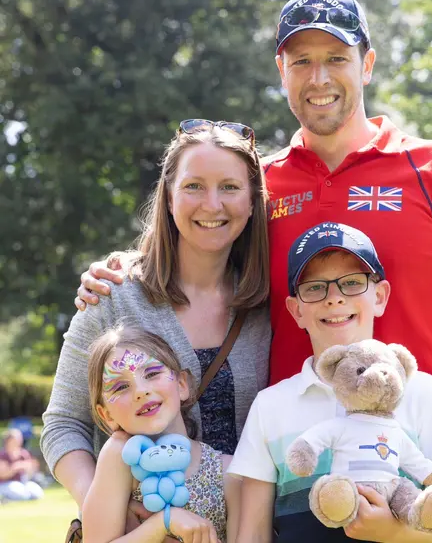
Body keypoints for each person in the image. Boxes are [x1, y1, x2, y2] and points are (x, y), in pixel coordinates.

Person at [74, 0, 432, 541]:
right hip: (292, 485)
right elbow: (198, 237)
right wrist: (127, 265)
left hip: (416, 479)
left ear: (366, 63)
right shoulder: (262, 186)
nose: (319, 78)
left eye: (336, 58)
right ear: (281, 70)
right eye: (302, 62)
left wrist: (414, 445)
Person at [40, 120, 271, 536]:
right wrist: (109, 504)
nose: (212, 204)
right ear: (168, 197)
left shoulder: (265, 306)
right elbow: (62, 425)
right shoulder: (112, 295)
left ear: (253, 201)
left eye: (230, 187)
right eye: (194, 186)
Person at [230, 221, 432, 543]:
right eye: (315, 287)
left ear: (380, 296)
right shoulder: (270, 405)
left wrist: (392, 531)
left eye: (351, 282)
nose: (334, 298)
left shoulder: (424, 393)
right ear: (296, 311)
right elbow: (253, 533)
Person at [82, 323, 239, 542]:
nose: (141, 391)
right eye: (121, 387)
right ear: (106, 414)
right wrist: (164, 523)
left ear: (182, 384)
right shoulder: (119, 458)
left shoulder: (228, 471)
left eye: (152, 373)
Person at [0, 429, 44, 502]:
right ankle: (5, 499)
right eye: (15, 439)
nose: (18, 441)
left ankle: (9, 499)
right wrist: (15, 467)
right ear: (8, 441)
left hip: (23, 482)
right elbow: (3, 475)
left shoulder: (23, 453)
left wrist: (29, 467)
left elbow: (33, 468)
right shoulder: (2, 455)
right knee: (23, 495)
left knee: (37, 494)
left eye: (19, 438)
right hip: (5, 484)